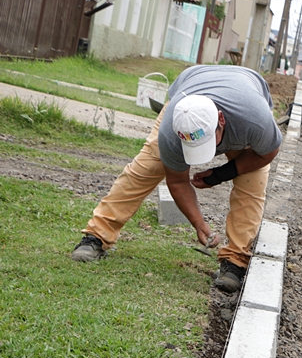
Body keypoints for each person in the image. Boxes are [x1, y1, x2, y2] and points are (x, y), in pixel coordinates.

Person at [71, 65, 282, 293]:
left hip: (244, 96)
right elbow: (178, 181)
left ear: (220, 120)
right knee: (145, 168)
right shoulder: (174, 128)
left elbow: (267, 153)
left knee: (251, 183)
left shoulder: (254, 120)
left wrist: (222, 174)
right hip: (188, 94)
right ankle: (96, 236)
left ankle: (235, 261)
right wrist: (199, 225)